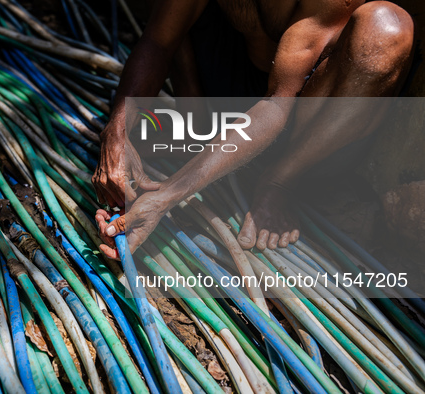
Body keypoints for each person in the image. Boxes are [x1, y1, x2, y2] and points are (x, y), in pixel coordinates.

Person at [92, 0, 414, 259]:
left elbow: (276, 105)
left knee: (387, 27)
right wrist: (117, 131)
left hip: (302, 121)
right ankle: (197, 132)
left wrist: (166, 196)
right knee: (177, 15)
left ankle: (281, 180)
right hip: (228, 91)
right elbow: (159, 41)